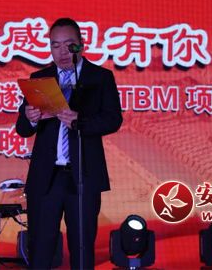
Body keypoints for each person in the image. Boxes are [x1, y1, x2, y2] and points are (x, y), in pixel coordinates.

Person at [16, 17, 123, 269]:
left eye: (68, 45)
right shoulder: (40, 79)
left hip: (83, 175)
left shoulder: (100, 77)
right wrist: (30, 118)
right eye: (55, 45)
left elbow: (113, 119)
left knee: (82, 248)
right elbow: (22, 129)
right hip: (46, 178)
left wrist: (80, 121)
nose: (62, 52)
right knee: (40, 249)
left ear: (80, 45)